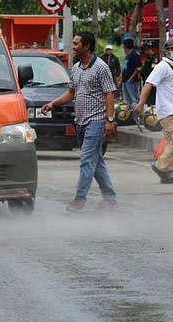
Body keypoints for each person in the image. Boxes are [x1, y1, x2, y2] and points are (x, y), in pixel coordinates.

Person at [41, 31, 118, 211]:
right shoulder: (75, 68)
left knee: (86, 160)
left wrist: (109, 120)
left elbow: (109, 94)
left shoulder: (101, 67)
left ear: (87, 46)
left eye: (76, 44)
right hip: (80, 122)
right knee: (95, 161)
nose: (73, 47)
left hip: (96, 122)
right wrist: (53, 103)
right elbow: (71, 93)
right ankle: (110, 198)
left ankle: (79, 200)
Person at [134, 38, 173, 184]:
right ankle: (161, 166)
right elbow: (148, 84)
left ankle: (170, 174)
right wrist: (141, 103)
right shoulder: (162, 66)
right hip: (168, 109)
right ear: (167, 51)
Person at [121, 38, 142, 108]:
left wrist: (131, 78)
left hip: (132, 81)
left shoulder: (135, 55)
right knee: (127, 100)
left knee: (134, 99)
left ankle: (137, 117)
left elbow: (139, 68)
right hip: (125, 80)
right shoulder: (127, 55)